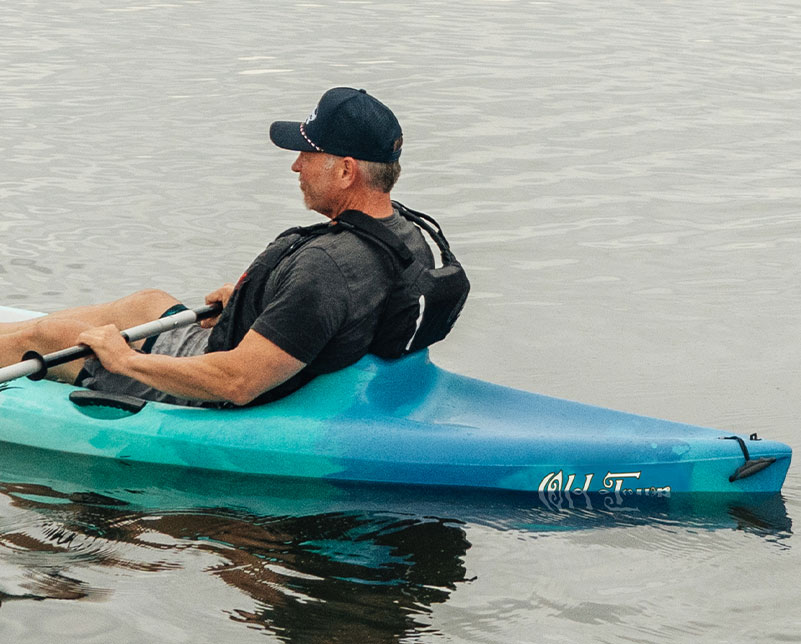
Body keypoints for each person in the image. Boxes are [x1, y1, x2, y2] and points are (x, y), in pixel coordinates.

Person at [0, 87, 435, 407]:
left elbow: (237, 382)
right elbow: (334, 317)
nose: (295, 164)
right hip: (267, 357)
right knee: (147, 302)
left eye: (308, 154)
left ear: (345, 171)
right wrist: (254, 303)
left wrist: (122, 360)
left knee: (50, 337)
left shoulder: (327, 268)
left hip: (217, 385)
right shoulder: (404, 234)